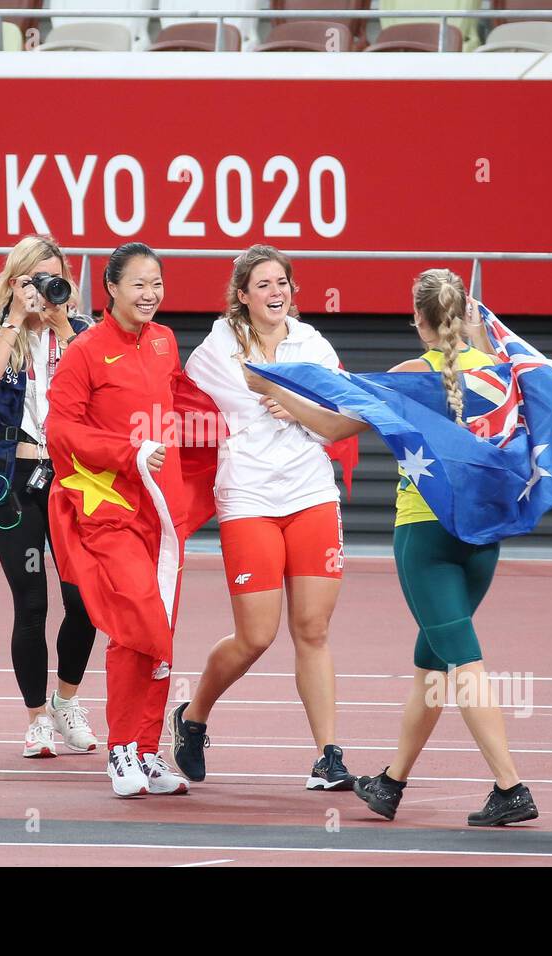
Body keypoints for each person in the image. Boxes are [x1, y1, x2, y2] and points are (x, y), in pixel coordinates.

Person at [240, 268, 539, 827]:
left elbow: (334, 427)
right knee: (435, 663)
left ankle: (511, 785)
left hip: (425, 535)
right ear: (465, 316)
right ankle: (392, 782)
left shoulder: (407, 377)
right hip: (483, 538)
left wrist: (276, 390)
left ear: (419, 323)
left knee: (463, 662)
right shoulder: (503, 374)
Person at [171, 245, 356, 791]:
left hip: (310, 493)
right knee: (256, 636)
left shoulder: (311, 344)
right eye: (265, 285)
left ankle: (328, 756)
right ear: (243, 296)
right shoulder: (216, 348)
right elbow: (181, 402)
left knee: (313, 629)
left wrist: (289, 400)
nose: (277, 293)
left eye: (283, 283)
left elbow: (339, 424)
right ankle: (193, 716)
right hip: (248, 498)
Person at [45, 242, 218, 798]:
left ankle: (146, 751)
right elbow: (60, 431)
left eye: (157, 284)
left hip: (161, 515)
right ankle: (121, 748)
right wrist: (129, 452)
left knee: (160, 630)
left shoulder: (166, 341)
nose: (150, 295)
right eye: (139, 285)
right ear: (111, 290)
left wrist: (253, 413)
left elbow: (189, 404)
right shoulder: (85, 352)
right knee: (135, 622)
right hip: (107, 510)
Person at [0, 235, 99, 760]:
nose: (45, 287)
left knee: (84, 602)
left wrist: (63, 325)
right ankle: (36, 719)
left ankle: (67, 701)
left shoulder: (83, 328)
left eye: (53, 276)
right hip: (15, 482)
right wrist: (15, 321)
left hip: (73, 481)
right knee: (31, 603)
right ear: (15, 279)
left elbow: (99, 384)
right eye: (34, 278)